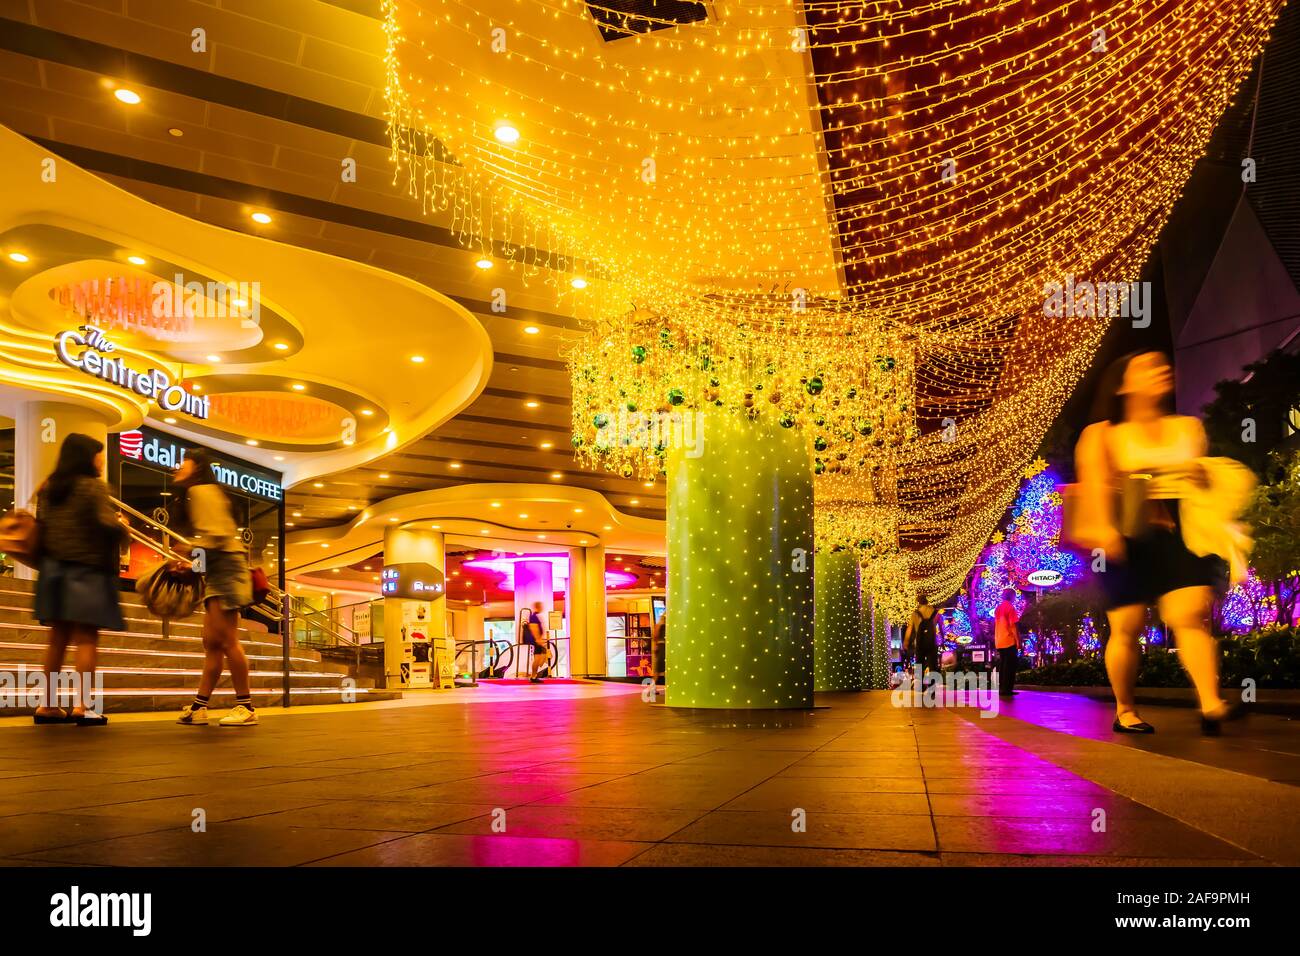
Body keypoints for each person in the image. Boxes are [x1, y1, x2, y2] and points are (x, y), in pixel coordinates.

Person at [1073, 351, 1250, 735]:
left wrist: (1199, 476)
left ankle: (1211, 704)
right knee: (1127, 624)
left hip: (1177, 531)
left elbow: (1199, 481)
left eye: (1163, 366)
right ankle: (1125, 709)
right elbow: (1095, 488)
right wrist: (1106, 532)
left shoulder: (1187, 428)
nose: (1160, 371)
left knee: (1188, 615)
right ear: (1123, 384)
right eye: (1147, 367)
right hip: (1122, 532)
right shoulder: (1102, 433)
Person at [32, 433, 127, 726]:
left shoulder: (49, 489)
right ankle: (83, 706)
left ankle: (47, 705)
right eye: (98, 454)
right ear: (86, 456)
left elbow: (42, 526)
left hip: (53, 572)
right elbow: (106, 525)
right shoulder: (92, 488)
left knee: (56, 640)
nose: (101, 460)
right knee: (86, 639)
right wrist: (122, 525)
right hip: (86, 572)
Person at [173, 449, 256, 727]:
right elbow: (214, 541)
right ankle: (200, 706)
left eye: (183, 461)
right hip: (221, 569)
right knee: (212, 643)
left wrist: (189, 551)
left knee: (227, 640)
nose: (177, 466)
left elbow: (218, 538)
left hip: (226, 571)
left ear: (195, 466)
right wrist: (193, 565)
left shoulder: (202, 492)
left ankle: (246, 706)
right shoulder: (201, 492)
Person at [903, 592, 943, 682]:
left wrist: (906, 642)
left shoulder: (915, 614)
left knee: (919, 666)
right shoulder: (935, 612)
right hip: (932, 642)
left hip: (919, 643)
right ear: (927, 601)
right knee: (933, 666)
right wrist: (942, 639)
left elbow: (910, 628)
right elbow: (941, 627)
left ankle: (920, 687)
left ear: (919, 602)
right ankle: (932, 690)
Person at [994, 588, 1021, 697]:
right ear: (1012, 596)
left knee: (1003, 665)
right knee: (1010, 666)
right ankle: (1007, 689)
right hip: (1009, 640)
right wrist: (1018, 641)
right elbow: (1013, 626)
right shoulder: (1010, 608)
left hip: (999, 640)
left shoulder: (998, 608)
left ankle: (1002, 689)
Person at [524, 601, 548, 684]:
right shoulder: (534, 616)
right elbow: (534, 628)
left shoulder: (535, 616)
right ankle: (533, 676)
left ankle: (534, 676)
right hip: (536, 640)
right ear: (538, 607)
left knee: (539, 658)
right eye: (541, 606)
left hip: (537, 640)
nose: (542, 608)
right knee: (538, 658)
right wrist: (538, 639)